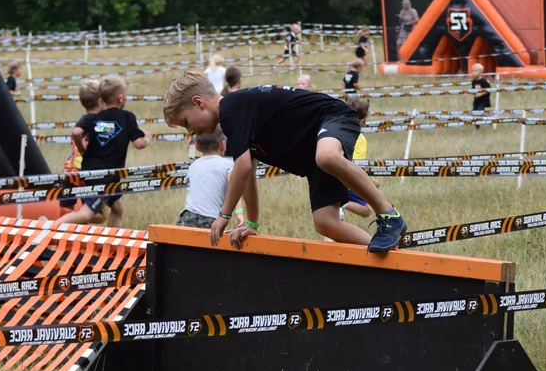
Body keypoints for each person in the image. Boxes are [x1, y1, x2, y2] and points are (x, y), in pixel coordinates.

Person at [162, 72, 406, 252]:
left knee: (328, 156)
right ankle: (393, 257)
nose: (189, 131)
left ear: (198, 102)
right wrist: (252, 223)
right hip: (313, 155)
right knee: (326, 224)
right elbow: (248, 173)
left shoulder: (232, 108)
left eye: (185, 122)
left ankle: (389, 216)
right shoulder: (236, 119)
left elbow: (243, 167)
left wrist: (224, 215)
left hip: (331, 118)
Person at [55, 75, 151, 228]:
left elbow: (76, 133)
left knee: (117, 207)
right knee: (87, 214)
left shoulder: (94, 119)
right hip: (101, 177)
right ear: (120, 98)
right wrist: (147, 138)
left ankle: (114, 244)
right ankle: (47, 229)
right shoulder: (125, 117)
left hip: (93, 173)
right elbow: (139, 144)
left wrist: (82, 150)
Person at [176, 126, 246, 229]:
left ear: (197, 147)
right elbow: (235, 188)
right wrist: (239, 212)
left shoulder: (193, 166)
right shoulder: (228, 165)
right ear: (223, 144)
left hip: (187, 216)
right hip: (211, 218)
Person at [60, 79, 105, 221]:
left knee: (67, 209)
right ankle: (57, 223)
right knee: (100, 216)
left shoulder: (82, 122)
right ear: (100, 101)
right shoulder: (100, 123)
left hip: (70, 170)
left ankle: (68, 224)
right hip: (87, 174)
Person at [341, 95, 378, 219]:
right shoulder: (359, 138)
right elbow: (355, 164)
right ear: (362, 120)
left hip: (329, 176)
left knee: (331, 227)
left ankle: (339, 203)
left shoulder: (336, 129)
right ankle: (341, 203)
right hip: (345, 180)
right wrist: (370, 181)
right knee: (367, 208)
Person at [471, 64, 492, 130]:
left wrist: (481, 94)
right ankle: (477, 127)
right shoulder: (473, 81)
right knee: (474, 113)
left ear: (480, 72)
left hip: (483, 101)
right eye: (473, 71)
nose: (473, 72)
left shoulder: (484, 81)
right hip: (476, 100)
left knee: (480, 112)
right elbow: (473, 89)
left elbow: (488, 90)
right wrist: (473, 93)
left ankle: (488, 118)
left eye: (475, 71)